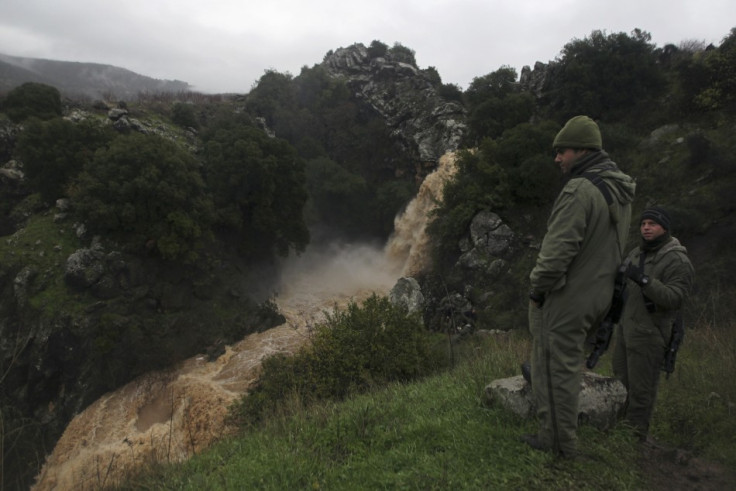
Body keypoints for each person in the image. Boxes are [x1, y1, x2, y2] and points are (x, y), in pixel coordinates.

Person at [522, 115, 636, 458]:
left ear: (583, 150)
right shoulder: (619, 189)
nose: (557, 158)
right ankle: (558, 435)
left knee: (554, 365)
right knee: (567, 363)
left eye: (563, 151)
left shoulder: (579, 190)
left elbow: (556, 253)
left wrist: (537, 288)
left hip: (570, 294)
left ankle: (558, 445)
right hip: (599, 292)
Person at [612, 206, 694, 441]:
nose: (646, 228)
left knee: (641, 391)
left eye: (652, 224)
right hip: (627, 330)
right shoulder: (637, 253)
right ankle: (618, 435)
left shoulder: (677, 260)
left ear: (664, 228)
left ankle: (634, 439)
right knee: (620, 386)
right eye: (643, 224)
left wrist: (644, 280)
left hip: (651, 333)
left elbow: (675, 298)